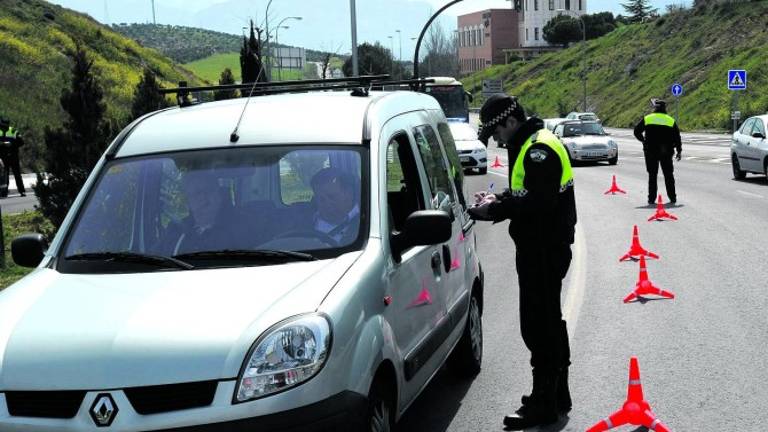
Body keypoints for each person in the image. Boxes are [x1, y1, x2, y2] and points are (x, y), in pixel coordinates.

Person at [470, 94, 577, 429]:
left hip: (543, 249)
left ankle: (545, 404)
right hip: (542, 246)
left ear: (510, 122)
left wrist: (495, 210)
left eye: (496, 132)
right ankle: (557, 394)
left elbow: (538, 203)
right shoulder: (533, 143)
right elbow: (525, 193)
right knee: (549, 321)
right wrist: (498, 198)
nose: (497, 140)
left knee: (538, 326)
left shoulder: (537, 150)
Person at [162, 169, 237, 255]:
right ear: (188, 201)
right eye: (196, 193)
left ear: (219, 195)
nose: (203, 199)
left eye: (208, 191)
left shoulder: (238, 228)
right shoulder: (176, 231)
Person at [633, 98, 682, 205]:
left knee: (652, 175)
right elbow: (677, 137)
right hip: (666, 151)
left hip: (650, 151)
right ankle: (672, 198)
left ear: (655, 108)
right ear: (665, 109)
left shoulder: (648, 118)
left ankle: (651, 199)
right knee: (668, 175)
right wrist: (679, 151)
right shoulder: (670, 120)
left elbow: (636, 131)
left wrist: (643, 141)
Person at [308, 167, 360, 246]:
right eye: (321, 199)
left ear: (348, 193)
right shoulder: (305, 218)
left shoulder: (366, 221)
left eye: (332, 197)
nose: (327, 204)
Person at [0, 117, 26, 197]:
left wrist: (12, 144)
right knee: (4, 175)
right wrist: (2, 144)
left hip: (13, 156)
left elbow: (21, 142)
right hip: (3, 157)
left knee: (17, 175)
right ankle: (4, 192)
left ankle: (22, 191)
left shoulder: (13, 131)